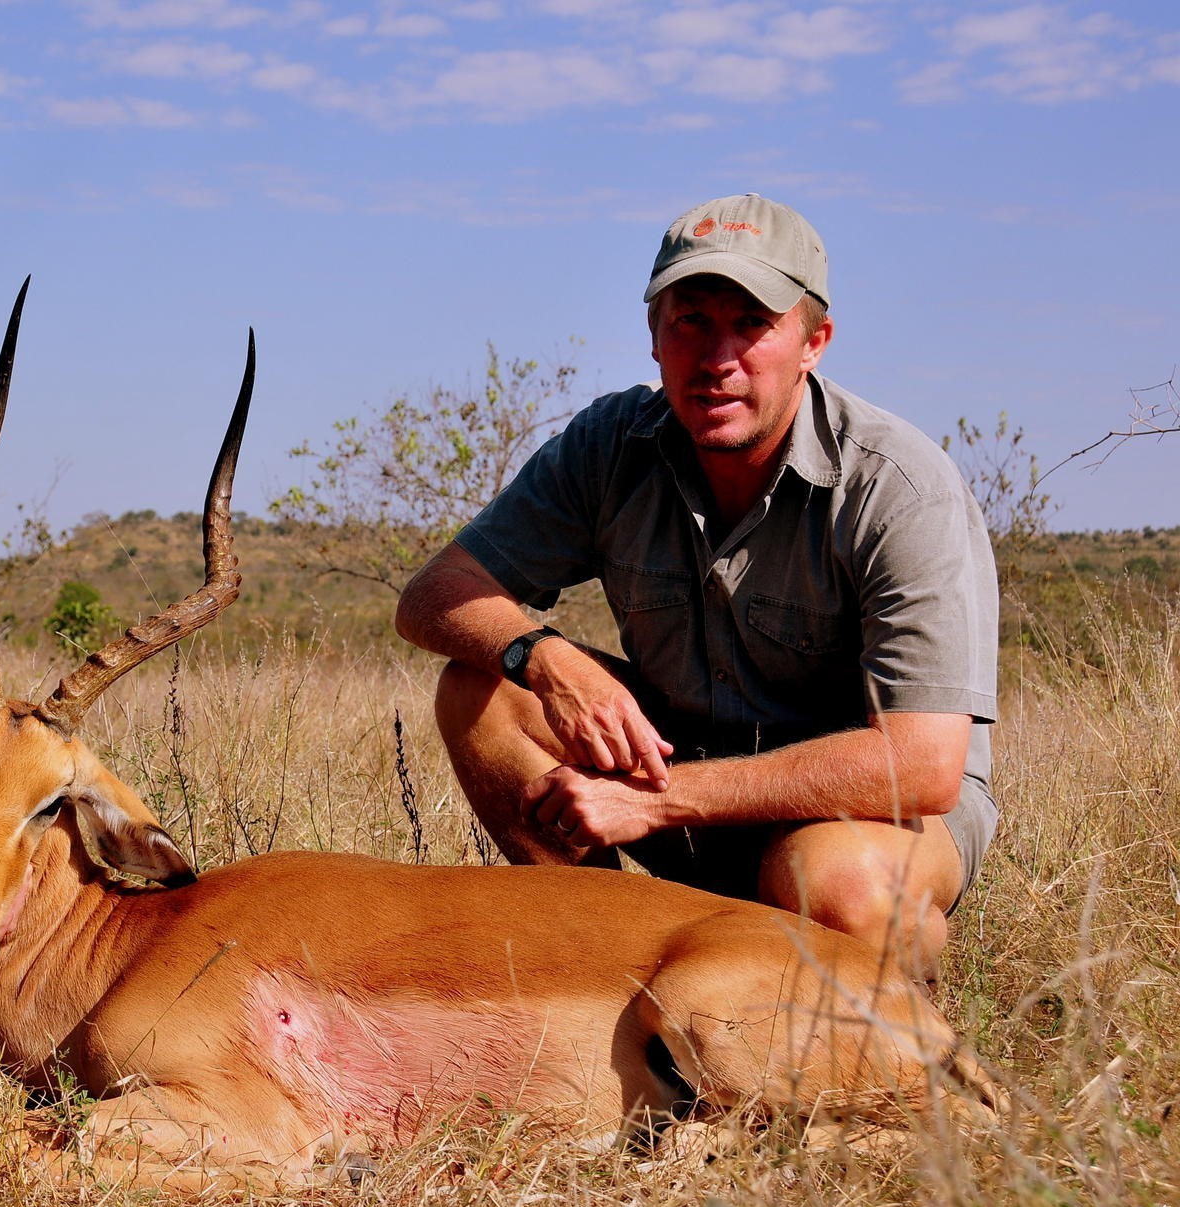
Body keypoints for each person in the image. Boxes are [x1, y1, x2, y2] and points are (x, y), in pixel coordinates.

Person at [395, 193, 998, 978]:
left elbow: (923, 765)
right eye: (691, 322)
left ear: (814, 341)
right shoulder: (612, 445)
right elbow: (433, 593)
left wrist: (658, 800)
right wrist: (545, 658)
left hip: (854, 818)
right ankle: (604, 970)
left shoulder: (899, 487)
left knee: (837, 885)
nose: (719, 358)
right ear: (653, 336)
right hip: (680, 773)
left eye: (752, 324)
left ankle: (876, 1003)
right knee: (480, 689)